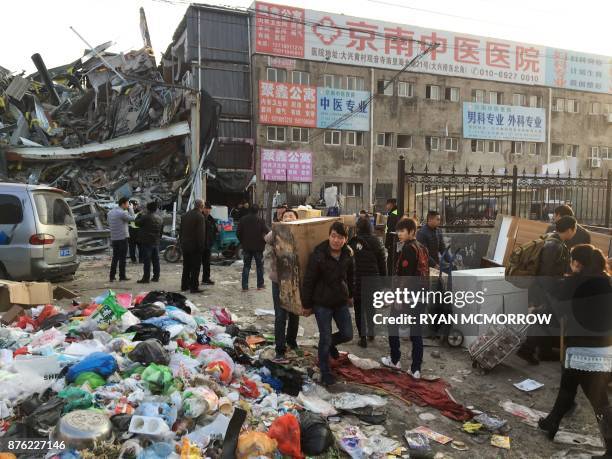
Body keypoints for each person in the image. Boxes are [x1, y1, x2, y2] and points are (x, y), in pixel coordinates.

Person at [537, 244, 612, 457]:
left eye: (572, 261)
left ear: (578, 263)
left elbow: (556, 301)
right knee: (569, 386)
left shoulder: (575, 283)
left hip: (582, 347)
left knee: (597, 399)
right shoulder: (605, 280)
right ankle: (552, 422)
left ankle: (611, 444)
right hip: (603, 346)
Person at [517, 216, 577, 365]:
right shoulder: (555, 245)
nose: (575, 232)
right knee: (543, 319)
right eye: (575, 229)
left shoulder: (551, 239)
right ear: (570, 229)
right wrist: (554, 293)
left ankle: (544, 351)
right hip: (546, 290)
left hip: (544, 288)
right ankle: (527, 349)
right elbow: (547, 273)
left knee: (547, 320)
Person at [302, 222, 355, 386]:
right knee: (324, 337)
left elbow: (351, 276)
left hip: (340, 300)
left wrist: (351, 295)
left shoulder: (348, 253)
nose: (336, 240)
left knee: (347, 334)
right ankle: (325, 372)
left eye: (340, 237)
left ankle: (330, 344)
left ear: (345, 239)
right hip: (322, 302)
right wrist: (306, 304)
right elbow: (309, 280)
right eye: (333, 236)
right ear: (329, 236)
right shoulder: (319, 254)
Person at [381, 218, 429, 378]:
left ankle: (395, 360)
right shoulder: (422, 248)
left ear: (412, 232)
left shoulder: (409, 249)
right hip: (421, 296)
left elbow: (405, 277)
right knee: (416, 333)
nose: (399, 234)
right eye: (399, 231)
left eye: (403, 231)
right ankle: (416, 369)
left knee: (392, 326)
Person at [265, 209, 300, 362]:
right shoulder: (276, 232)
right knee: (280, 315)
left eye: (291, 216)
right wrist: (278, 227)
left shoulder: (300, 231)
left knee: (294, 313)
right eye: (285, 216)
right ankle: (280, 348)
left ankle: (291, 341)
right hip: (278, 280)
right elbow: (267, 239)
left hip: (295, 280)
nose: (288, 218)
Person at [348, 216, 386, 348]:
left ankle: (362, 337)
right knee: (371, 308)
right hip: (373, 281)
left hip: (357, 281)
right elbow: (382, 263)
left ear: (357, 228)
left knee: (359, 309)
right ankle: (371, 332)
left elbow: (348, 264)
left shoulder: (352, 242)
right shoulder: (376, 241)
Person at [237, 204, 269, 291]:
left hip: (246, 247)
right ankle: (260, 285)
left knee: (246, 266)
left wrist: (242, 241)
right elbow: (268, 231)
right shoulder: (260, 220)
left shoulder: (243, 220)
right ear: (258, 211)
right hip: (258, 247)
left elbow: (238, 233)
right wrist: (264, 240)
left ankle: (245, 286)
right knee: (259, 266)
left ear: (249, 210)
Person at [180, 199, 206, 293]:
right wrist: (201, 246)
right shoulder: (200, 216)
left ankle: (184, 285)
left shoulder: (185, 215)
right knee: (195, 267)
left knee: (186, 266)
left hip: (185, 245)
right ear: (201, 206)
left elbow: (181, 231)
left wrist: (181, 242)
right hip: (195, 246)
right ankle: (194, 287)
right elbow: (201, 234)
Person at [108, 197, 136, 282]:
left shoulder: (110, 212)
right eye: (128, 204)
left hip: (114, 238)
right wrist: (131, 209)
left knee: (115, 258)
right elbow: (133, 218)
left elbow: (108, 222)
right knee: (122, 258)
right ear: (123, 204)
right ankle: (122, 276)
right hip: (122, 238)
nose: (128, 205)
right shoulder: (122, 213)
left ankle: (112, 276)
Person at [136, 201, 163, 284]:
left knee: (147, 261)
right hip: (156, 241)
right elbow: (161, 231)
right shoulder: (160, 218)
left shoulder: (145, 217)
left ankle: (146, 278)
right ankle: (156, 277)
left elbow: (137, 223)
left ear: (148, 208)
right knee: (156, 260)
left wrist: (138, 215)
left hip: (146, 242)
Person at [201, 202, 218, 285]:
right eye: (206, 208)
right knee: (195, 264)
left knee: (207, 263)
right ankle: (193, 281)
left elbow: (215, 231)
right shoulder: (200, 217)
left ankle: (206, 279)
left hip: (208, 245)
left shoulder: (211, 219)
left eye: (209, 209)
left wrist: (212, 241)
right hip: (199, 245)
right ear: (203, 209)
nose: (207, 210)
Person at [384, 199, 400, 275]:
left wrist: (387, 244)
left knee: (391, 261)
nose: (386, 206)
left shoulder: (393, 215)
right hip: (397, 241)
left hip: (393, 242)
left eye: (387, 204)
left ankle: (390, 279)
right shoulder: (396, 212)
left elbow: (390, 231)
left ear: (391, 204)